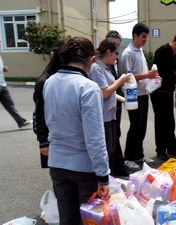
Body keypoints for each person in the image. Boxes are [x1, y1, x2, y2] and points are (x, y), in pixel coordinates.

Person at [43, 37, 110, 225]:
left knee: (67, 217)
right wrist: (103, 176)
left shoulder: (50, 82)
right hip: (83, 167)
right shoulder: (88, 87)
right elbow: (95, 138)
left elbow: (50, 120)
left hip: (57, 162)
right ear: (91, 59)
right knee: (89, 219)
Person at [89, 38, 131, 176]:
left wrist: (124, 100)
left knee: (111, 149)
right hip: (103, 117)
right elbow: (104, 92)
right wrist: (121, 80)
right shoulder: (96, 67)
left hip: (110, 115)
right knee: (106, 151)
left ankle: (109, 181)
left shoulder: (105, 67)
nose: (117, 57)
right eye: (116, 53)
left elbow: (110, 92)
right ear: (108, 52)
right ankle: (104, 181)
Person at [121, 22, 158, 167]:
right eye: (143, 37)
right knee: (135, 126)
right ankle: (128, 157)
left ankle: (139, 155)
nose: (145, 40)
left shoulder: (139, 50)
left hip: (143, 93)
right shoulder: (128, 53)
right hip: (133, 95)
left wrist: (151, 76)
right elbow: (127, 76)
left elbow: (142, 73)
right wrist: (147, 75)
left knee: (142, 126)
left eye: (146, 37)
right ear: (135, 36)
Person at [105, 30, 140, 173]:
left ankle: (117, 165)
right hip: (107, 104)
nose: (117, 49)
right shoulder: (99, 65)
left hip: (116, 101)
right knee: (110, 137)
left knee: (116, 134)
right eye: (114, 45)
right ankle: (113, 168)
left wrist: (125, 99)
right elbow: (106, 90)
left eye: (118, 45)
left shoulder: (117, 60)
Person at [151, 32, 176, 161]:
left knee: (170, 122)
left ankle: (172, 148)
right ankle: (160, 150)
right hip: (159, 92)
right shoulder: (162, 51)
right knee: (161, 122)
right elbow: (159, 72)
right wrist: (174, 75)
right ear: (172, 40)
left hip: (168, 91)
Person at [33, 39, 66, 168]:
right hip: (51, 136)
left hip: (64, 135)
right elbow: (39, 113)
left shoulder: (63, 77)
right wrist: (43, 141)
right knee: (57, 172)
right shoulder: (45, 81)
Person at [0, 34, 32, 129]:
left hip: (2, 85)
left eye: (0, 41)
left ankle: (21, 122)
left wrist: (3, 68)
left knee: (10, 105)